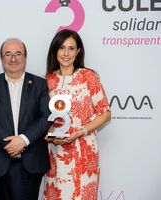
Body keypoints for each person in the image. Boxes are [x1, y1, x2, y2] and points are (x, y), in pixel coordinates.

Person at [0, 38, 51, 200]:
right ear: (1, 58)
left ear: (25, 57)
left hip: (30, 161)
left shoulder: (40, 84)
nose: (13, 59)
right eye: (8, 54)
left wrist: (23, 140)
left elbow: (46, 116)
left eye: (18, 53)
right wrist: (10, 143)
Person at [44, 29, 111, 200]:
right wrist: (50, 136)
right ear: (55, 51)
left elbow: (105, 114)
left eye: (71, 48)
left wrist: (80, 132)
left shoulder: (89, 77)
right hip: (56, 153)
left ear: (78, 51)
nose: (66, 53)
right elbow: (43, 118)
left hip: (84, 150)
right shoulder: (47, 81)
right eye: (62, 48)